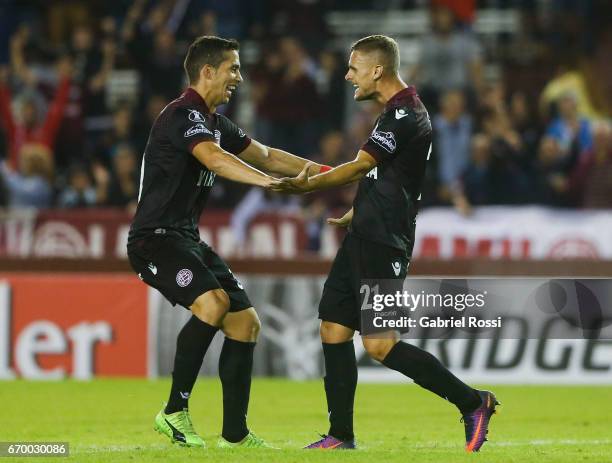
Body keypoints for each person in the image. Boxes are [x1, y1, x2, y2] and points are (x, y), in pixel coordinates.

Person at [274, 35, 499, 452]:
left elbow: (361, 166)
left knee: (379, 344)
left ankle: (472, 401)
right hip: (364, 234)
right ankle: (341, 435)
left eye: (353, 67)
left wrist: (306, 186)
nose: (347, 76)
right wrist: (359, 212)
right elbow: (392, 177)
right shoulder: (392, 113)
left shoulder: (404, 114)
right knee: (333, 329)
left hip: (384, 243)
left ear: (377, 70)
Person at [127, 36, 327, 449]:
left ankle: (234, 434)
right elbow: (216, 159)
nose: (239, 77)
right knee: (213, 304)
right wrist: (269, 185)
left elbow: (267, 155)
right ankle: (173, 411)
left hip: (186, 239)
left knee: (245, 323)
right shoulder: (183, 115)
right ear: (207, 72)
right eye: (232, 68)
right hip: (153, 241)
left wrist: (331, 172)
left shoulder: (216, 123)